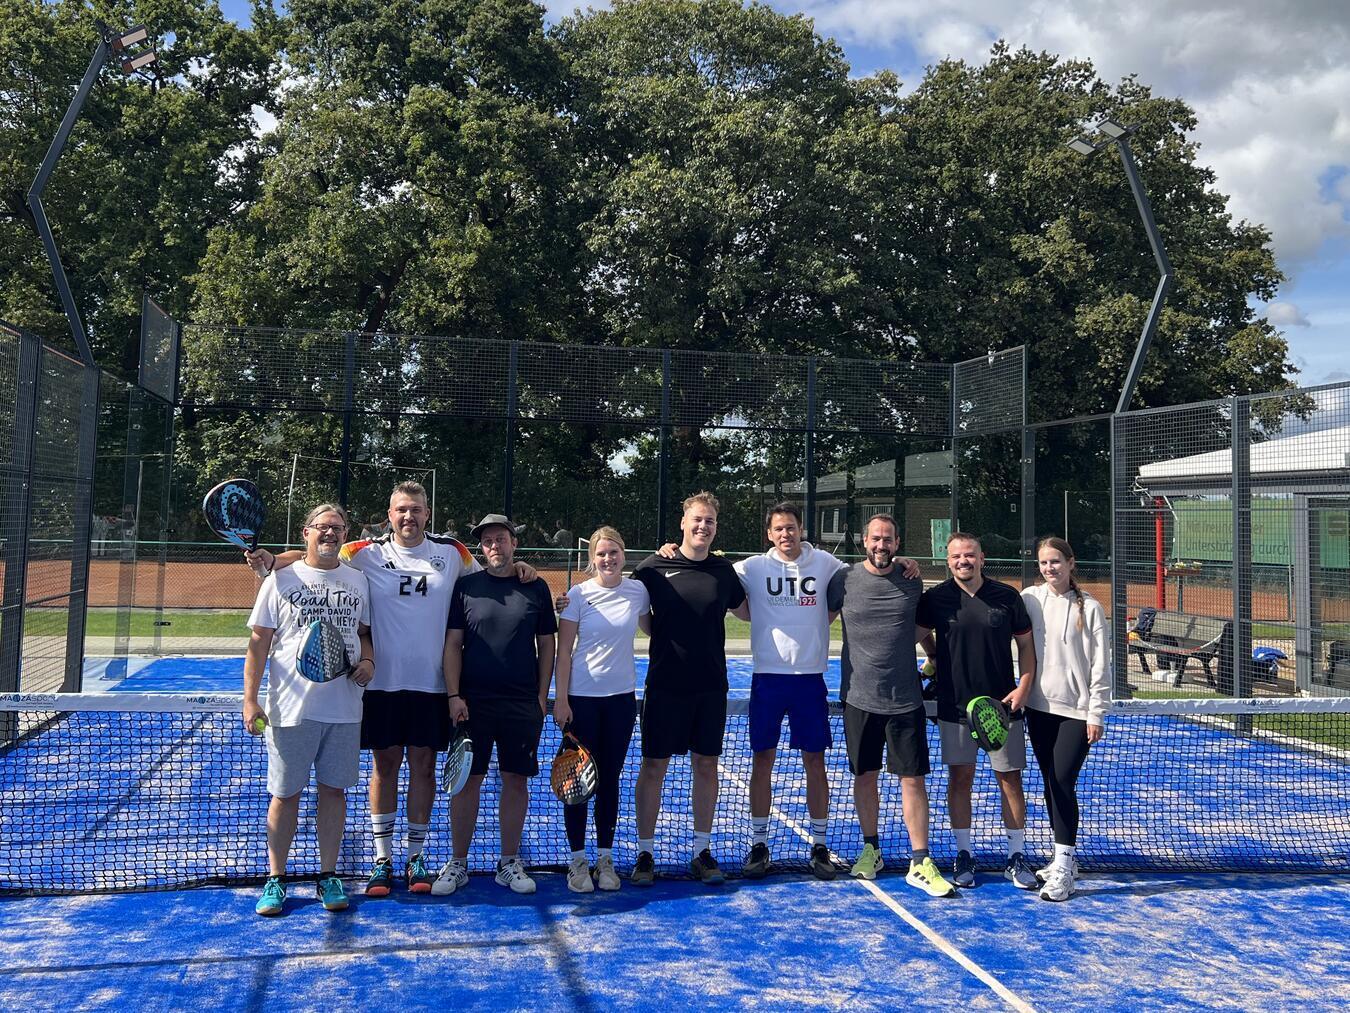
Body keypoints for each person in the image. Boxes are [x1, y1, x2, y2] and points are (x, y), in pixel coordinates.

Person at [246, 482, 535, 897]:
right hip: (379, 685)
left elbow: (494, 570)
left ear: (427, 513)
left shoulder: (452, 553)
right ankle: (382, 859)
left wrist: (522, 567)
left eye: (416, 509)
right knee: (385, 767)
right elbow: (314, 556)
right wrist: (275, 559)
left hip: (433, 686)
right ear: (389, 514)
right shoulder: (364, 552)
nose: (408, 517)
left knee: (423, 768)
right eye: (401, 509)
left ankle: (415, 856)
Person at [243, 503, 374, 916]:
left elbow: (365, 634)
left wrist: (368, 662)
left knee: (334, 793)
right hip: (290, 710)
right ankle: (276, 879)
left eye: (337, 528)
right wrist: (250, 698)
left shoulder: (358, 579)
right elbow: (259, 643)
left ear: (345, 533)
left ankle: (328, 876)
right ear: (306, 532)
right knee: (285, 795)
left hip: (344, 709)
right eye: (323, 528)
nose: (330, 534)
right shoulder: (279, 580)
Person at [827, 514, 954, 897]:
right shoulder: (843, 580)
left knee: (912, 780)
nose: (881, 546)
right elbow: (815, 620)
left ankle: (919, 860)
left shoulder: (911, 580)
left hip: (905, 701)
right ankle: (871, 849)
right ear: (864, 541)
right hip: (859, 699)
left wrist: (933, 659)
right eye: (875, 539)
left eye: (888, 540)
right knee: (864, 777)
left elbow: (922, 627)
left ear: (898, 544)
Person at [630, 491, 746, 886]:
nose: (703, 526)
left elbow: (747, 609)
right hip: (664, 685)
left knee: (706, 766)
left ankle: (701, 851)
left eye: (710, 521)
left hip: (711, 687)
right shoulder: (652, 568)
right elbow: (638, 615)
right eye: (697, 519)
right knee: (653, 768)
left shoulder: (724, 572)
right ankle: (645, 853)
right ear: (683, 523)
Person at [440, 514, 558, 895]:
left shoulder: (536, 587)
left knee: (515, 780)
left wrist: (542, 697)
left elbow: (548, 645)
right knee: (467, 783)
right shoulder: (465, 587)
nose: (495, 545)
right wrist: (454, 695)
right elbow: (453, 644)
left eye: (501, 539)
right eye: (488, 540)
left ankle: (509, 861)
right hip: (472, 705)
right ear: (482, 548)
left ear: (513, 544)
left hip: (522, 703)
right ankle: (458, 863)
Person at [733, 502, 849, 880]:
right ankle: (760, 844)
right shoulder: (752, 567)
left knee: (815, 763)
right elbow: (711, 575)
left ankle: (819, 845)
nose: (786, 534)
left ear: (802, 530)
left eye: (792, 528)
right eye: (779, 529)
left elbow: (862, 576)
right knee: (761, 761)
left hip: (810, 679)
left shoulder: (826, 563)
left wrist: (907, 565)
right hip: (767, 677)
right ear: (769, 534)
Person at [915, 532, 1037, 890]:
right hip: (954, 710)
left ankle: (1016, 856)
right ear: (948, 560)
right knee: (960, 780)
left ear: (982, 558)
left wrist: (1024, 687)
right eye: (956, 557)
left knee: (1010, 781)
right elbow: (916, 632)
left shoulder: (1007, 597)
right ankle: (964, 852)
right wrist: (934, 653)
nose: (963, 561)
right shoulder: (936, 599)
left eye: (969, 555)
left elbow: (1026, 646)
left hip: (1003, 709)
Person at [551, 526, 651, 892]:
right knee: (576, 782)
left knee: (608, 781)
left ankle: (604, 858)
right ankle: (578, 862)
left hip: (622, 702)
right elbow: (564, 654)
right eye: (601, 554)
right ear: (591, 558)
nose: (608, 559)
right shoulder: (578, 595)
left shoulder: (638, 592)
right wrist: (561, 700)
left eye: (614, 552)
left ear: (624, 554)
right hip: (581, 702)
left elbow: (653, 627)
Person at [1021, 536, 1109, 902]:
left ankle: (1064, 866)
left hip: (1075, 712)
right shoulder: (1030, 598)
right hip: (1037, 709)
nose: (1049, 568)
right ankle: (1063, 859)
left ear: (1071, 563)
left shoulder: (1090, 608)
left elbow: (1101, 663)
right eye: (1043, 563)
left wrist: (1097, 712)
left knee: (1061, 780)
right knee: (1049, 781)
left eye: (1055, 561)